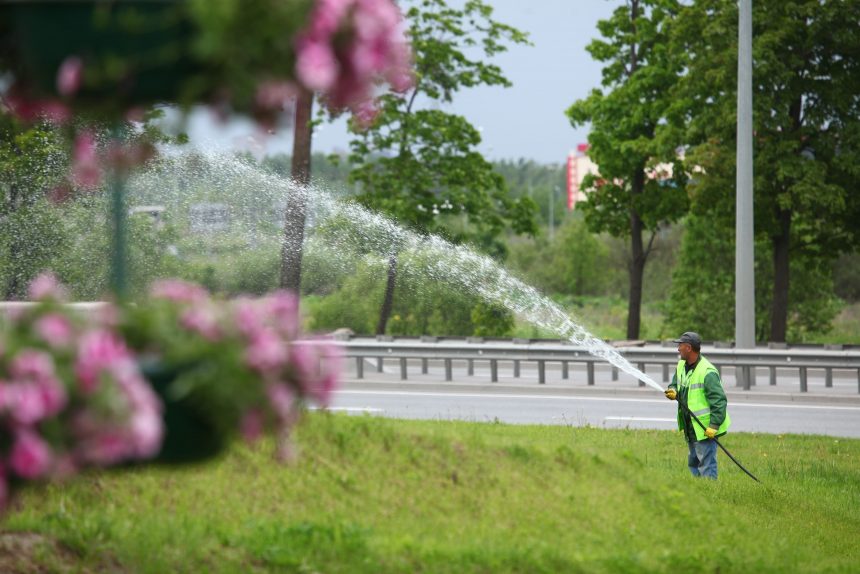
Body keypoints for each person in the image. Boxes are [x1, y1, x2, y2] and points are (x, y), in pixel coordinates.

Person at [664, 331, 731, 479]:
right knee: (693, 462)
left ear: (688, 348)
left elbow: (719, 401)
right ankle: (698, 491)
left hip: (705, 428)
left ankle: (710, 494)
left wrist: (713, 426)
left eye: (680, 345)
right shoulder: (682, 365)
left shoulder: (707, 372)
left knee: (706, 464)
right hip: (691, 427)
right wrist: (673, 390)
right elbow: (675, 383)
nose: (678, 349)